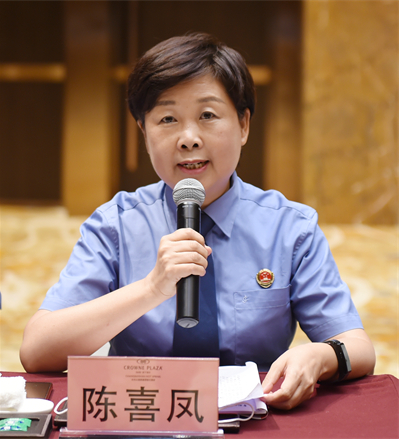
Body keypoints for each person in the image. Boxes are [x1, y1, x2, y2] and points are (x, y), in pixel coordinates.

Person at [20, 32, 375, 410]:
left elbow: (358, 347)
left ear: (243, 125)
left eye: (207, 115)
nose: (188, 138)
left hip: (253, 421)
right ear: (143, 132)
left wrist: (320, 356)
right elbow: (37, 351)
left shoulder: (290, 228)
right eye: (167, 119)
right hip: (142, 416)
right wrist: (151, 288)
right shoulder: (116, 225)